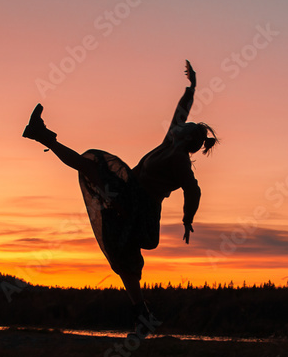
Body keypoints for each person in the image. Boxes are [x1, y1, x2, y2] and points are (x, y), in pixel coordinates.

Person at [22, 60, 218, 332]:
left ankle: (41, 135)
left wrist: (187, 219)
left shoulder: (179, 159)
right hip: (129, 191)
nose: (177, 127)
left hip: (139, 206)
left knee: (91, 167)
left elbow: (193, 190)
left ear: (186, 140)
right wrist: (192, 88)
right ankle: (143, 315)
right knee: (91, 168)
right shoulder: (170, 143)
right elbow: (181, 113)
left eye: (183, 129)